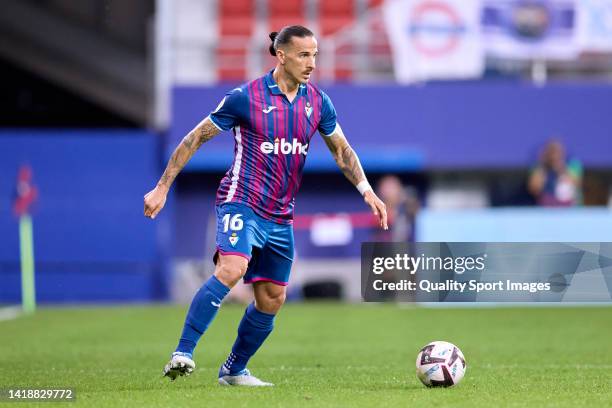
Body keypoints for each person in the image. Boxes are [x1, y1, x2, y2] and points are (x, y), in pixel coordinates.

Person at [143, 25, 387, 387]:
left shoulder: (317, 102)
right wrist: (162, 187)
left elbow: (341, 149)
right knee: (232, 268)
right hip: (240, 202)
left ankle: (234, 370)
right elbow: (195, 138)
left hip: (280, 215)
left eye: (315, 55)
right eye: (304, 55)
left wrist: (366, 189)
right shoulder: (245, 98)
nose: (312, 63)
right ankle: (183, 352)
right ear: (282, 54)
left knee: (272, 297)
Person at [528, 139, 582, 206]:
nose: (555, 156)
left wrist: (562, 169)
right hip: (547, 205)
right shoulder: (539, 166)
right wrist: (543, 168)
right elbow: (534, 189)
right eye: (551, 152)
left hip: (568, 206)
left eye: (557, 152)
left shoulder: (572, 164)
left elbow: (577, 185)